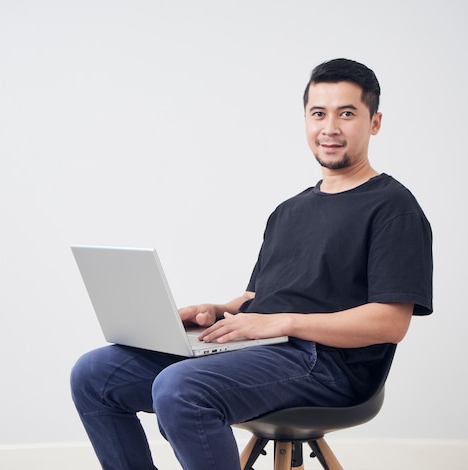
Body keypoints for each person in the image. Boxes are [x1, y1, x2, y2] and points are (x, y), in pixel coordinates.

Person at [70, 58, 433, 470]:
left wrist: (283, 322)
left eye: (346, 113)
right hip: (264, 351)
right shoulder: (289, 211)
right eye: (319, 113)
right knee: (95, 374)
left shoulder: (393, 208)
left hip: (329, 366)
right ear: (306, 120)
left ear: (375, 122)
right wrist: (220, 311)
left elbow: (390, 323)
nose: (329, 127)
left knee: (181, 388)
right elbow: (262, 296)